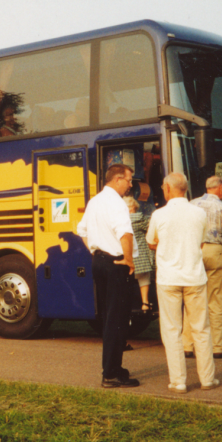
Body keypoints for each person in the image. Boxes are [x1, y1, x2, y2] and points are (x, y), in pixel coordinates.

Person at [146, 172, 218, 393]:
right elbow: (202, 242)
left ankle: (178, 381)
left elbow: (150, 242)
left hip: (168, 279)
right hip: (195, 277)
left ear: (167, 188)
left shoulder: (158, 215)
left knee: (171, 329)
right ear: (185, 189)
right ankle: (207, 379)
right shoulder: (199, 213)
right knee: (201, 329)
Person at [77, 164, 138, 388]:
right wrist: (129, 260)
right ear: (117, 179)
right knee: (118, 319)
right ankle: (111, 373)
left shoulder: (95, 201)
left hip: (99, 262)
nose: (131, 185)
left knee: (109, 318)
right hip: (116, 263)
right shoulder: (117, 204)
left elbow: (81, 230)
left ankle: (115, 368)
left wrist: (95, 251)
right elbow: (125, 233)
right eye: (129, 180)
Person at [183, 176, 222, 359]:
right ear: (221, 188)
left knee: (192, 299)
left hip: (194, 252)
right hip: (215, 253)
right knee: (215, 301)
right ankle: (217, 347)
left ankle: (188, 345)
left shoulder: (191, 205)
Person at [124, 195, 154, 314]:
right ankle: (145, 303)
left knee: (127, 281)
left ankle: (127, 304)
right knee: (144, 279)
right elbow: (150, 228)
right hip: (140, 256)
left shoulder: (121, 221)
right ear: (133, 208)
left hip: (127, 256)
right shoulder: (140, 219)